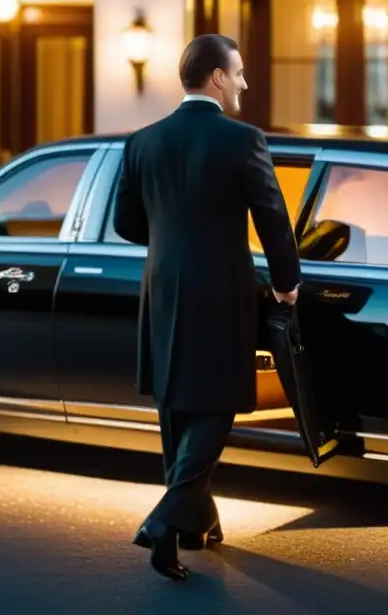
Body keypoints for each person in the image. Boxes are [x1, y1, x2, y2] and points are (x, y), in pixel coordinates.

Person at [113, 33, 301, 582]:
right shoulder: (243, 140)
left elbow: (127, 224)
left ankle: (191, 528)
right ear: (216, 77)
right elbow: (272, 219)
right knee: (216, 405)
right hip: (220, 287)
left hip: (163, 287)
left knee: (176, 402)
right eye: (238, 72)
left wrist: (174, 233)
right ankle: (164, 521)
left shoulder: (142, 141)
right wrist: (287, 283)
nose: (244, 82)